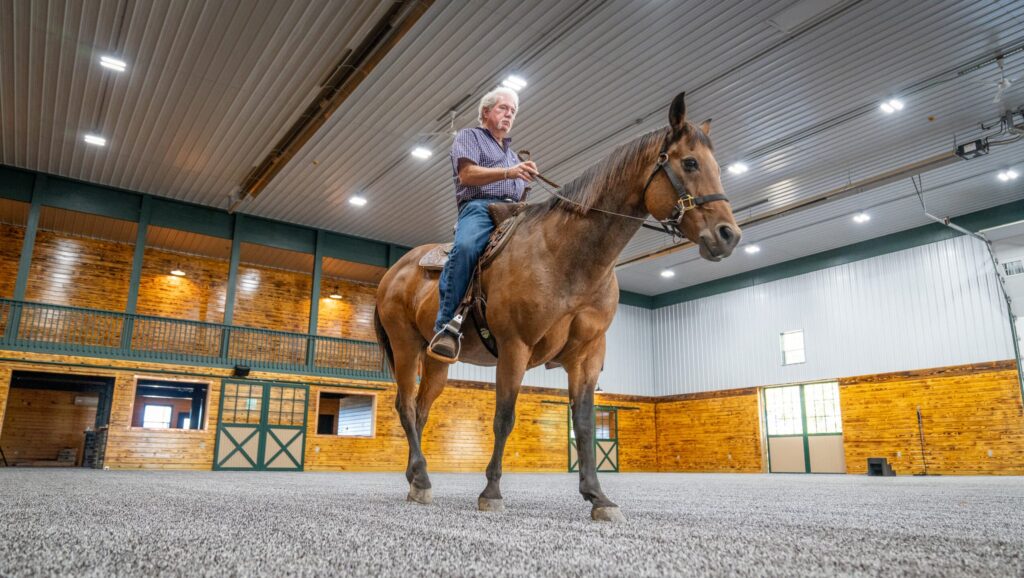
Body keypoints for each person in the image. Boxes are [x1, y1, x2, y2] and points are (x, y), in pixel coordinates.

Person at [428, 87, 538, 362]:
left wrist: (523, 182)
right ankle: (445, 326)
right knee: (465, 248)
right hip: (479, 208)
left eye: (513, 111)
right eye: (503, 108)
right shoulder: (470, 136)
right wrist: (509, 172)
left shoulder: (514, 156)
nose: (509, 114)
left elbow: (516, 192)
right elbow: (467, 175)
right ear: (486, 112)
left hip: (512, 212)